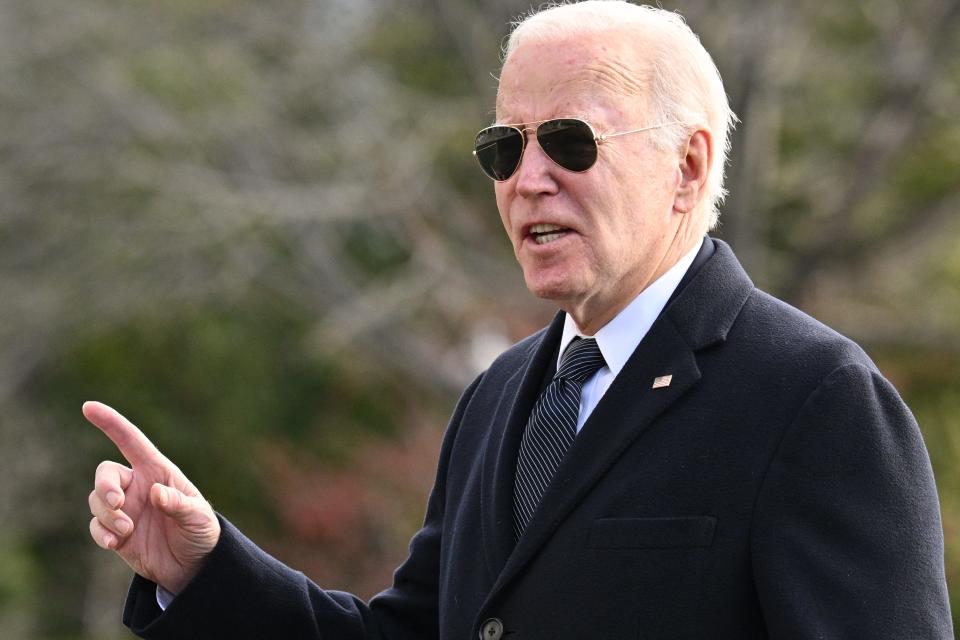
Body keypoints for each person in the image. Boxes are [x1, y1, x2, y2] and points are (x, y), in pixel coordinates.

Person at [85, 2, 953, 638]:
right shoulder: (500, 395)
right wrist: (204, 572)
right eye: (506, 147)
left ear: (688, 166)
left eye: (571, 142)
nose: (528, 178)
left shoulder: (816, 399)